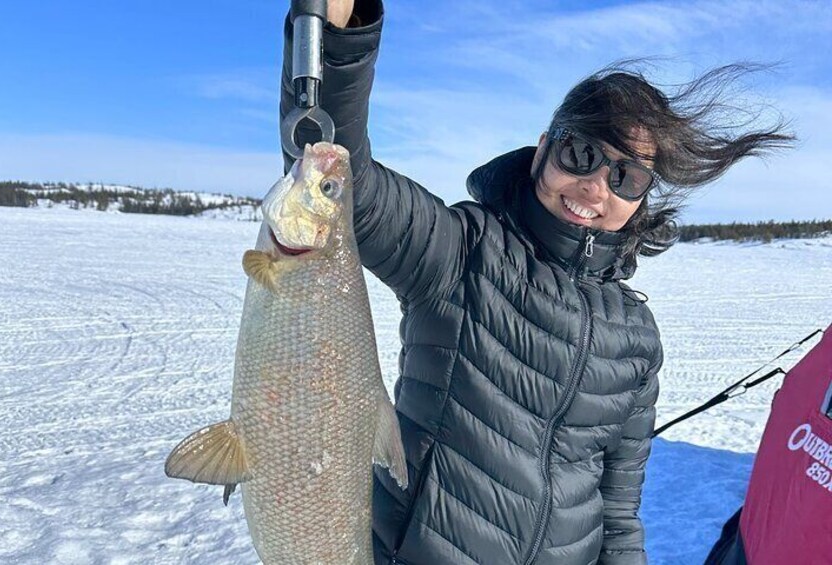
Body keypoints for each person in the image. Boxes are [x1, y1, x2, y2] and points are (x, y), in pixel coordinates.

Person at [280, 1, 794, 563]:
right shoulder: (462, 252)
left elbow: (618, 514)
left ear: (642, 198)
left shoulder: (638, 338)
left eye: (625, 175)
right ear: (544, 147)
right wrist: (339, 38)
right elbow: (338, 173)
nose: (595, 188)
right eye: (581, 154)